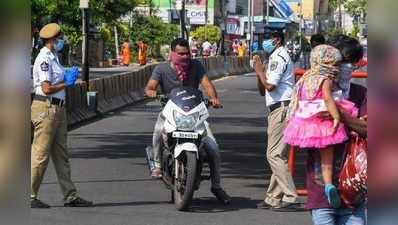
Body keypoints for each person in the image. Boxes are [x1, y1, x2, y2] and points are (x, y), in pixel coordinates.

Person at [145, 38, 231, 204]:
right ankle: (156, 165)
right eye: (180, 54)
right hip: (170, 112)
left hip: (194, 113)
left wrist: (214, 98)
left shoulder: (196, 66)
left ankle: (217, 186)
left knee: (213, 148)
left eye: (187, 54)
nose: (184, 57)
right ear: (172, 53)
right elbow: (150, 87)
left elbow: (207, 84)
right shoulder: (161, 69)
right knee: (157, 132)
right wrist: (152, 93)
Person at [283, 45, 359, 209]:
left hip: (306, 120)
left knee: (317, 155)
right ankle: (329, 183)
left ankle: (325, 184)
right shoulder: (326, 78)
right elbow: (327, 98)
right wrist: (337, 116)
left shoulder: (305, 77)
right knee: (327, 157)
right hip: (323, 119)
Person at [31, 23, 93, 208]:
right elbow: (46, 88)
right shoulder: (44, 58)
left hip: (58, 109)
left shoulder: (54, 57)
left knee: (61, 155)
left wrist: (64, 76)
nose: (62, 41)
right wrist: (66, 83)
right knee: (40, 154)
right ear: (53, 39)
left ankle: (70, 195)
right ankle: (29, 195)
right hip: (46, 108)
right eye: (60, 37)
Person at [307, 82, 367, 225]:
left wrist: (340, 115)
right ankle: (329, 186)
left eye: (349, 60)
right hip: (320, 194)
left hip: (354, 191)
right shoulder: (313, 91)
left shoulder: (360, 93)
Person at [253, 31, 301, 211]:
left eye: (266, 39)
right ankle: (273, 197)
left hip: (281, 109)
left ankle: (291, 194)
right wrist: (259, 71)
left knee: (273, 154)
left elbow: (270, 86)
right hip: (277, 108)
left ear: (277, 40)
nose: (264, 42)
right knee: (278, 155)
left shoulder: (278, 57)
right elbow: (263, 89)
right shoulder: (272, 57)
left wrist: (259, 71)